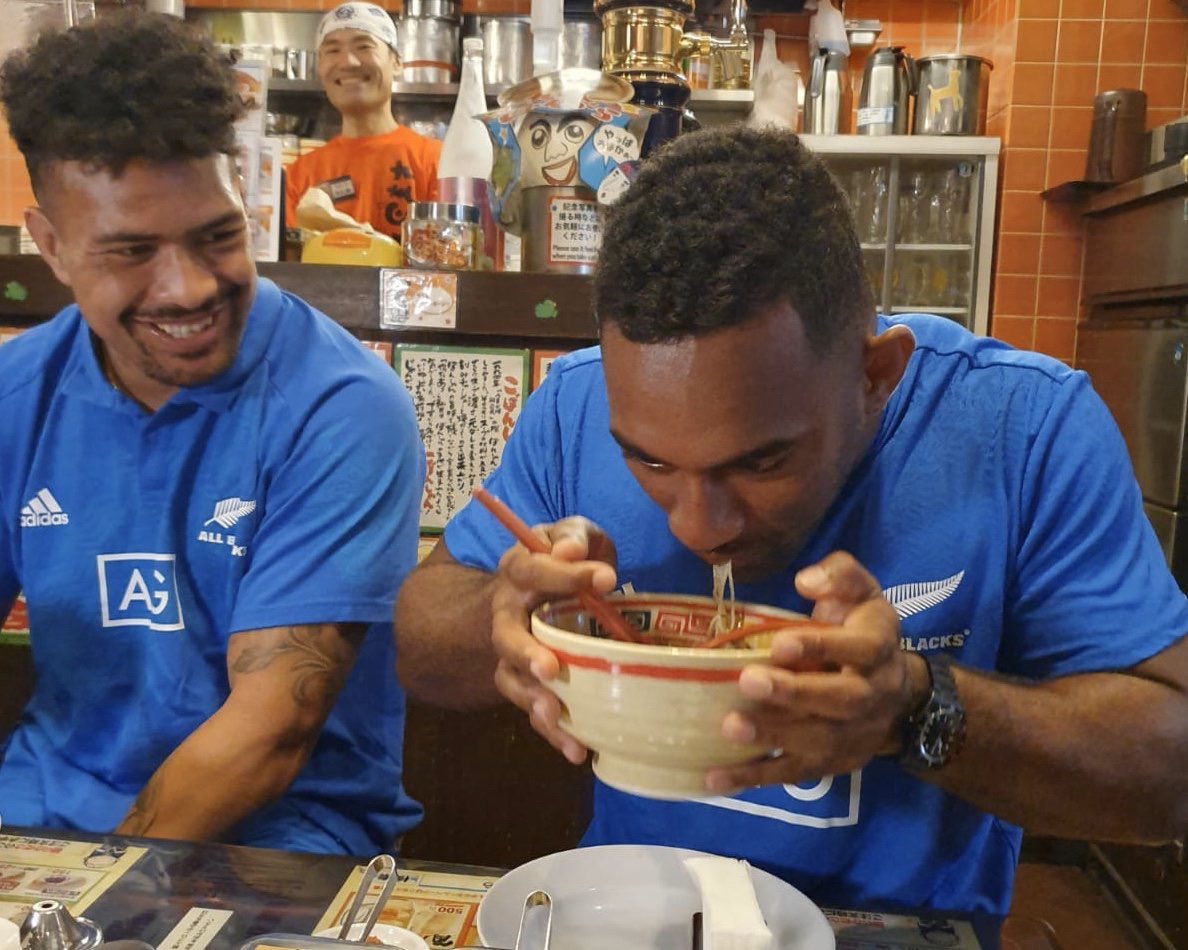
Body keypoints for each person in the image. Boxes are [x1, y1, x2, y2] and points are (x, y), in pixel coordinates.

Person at [394, 125, 1188, 914]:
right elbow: (420, 645)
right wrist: (507, 617)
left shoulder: (1023, 427)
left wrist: (912, 706)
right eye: (652, 463)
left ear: (877, 375)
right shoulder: (573, 406)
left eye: (761, 462)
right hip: (629, 919)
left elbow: (1169, 771)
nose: (698, 527)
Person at [0, 12, 426, 856]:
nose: (190, 287)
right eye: (130, 251)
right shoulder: (18, 393)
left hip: (273, 850)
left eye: (218, 237)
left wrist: (82, 903)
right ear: (50, 246)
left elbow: (272, 730)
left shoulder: (341, 406)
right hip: (37, 822)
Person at [283, 1, 441, 242]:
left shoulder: (435, 162)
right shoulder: (298, 176)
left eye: (363, 46)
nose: (348, 62)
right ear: (320, 68)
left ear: (397, 63)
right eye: (333, 50)